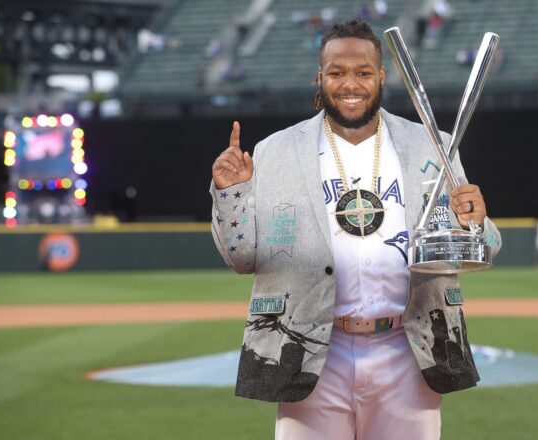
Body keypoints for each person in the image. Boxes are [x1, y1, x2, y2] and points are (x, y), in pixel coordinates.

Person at [209, 20, 502, 439]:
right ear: (320, 76)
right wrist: (231, 194)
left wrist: (476, 223)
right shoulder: (276, 151)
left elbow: (484, 248)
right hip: (310, 349)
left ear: (381, 76)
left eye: (363, 72)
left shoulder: (432, 145)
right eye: (336, 72)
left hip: (406, 349)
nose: (351, 84)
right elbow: (241, 258)